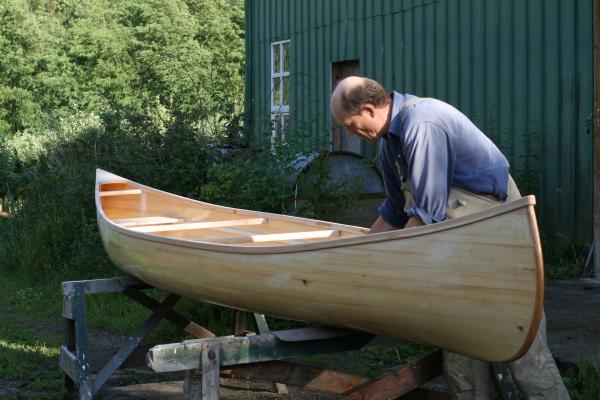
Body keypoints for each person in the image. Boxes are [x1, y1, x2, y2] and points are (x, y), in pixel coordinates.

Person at [330, 76, 569, 399]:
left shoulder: (421, 123)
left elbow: (426, 218)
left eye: (349, 124)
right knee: (459, 353)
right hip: (461, 251)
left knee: (523, 353)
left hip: (501, 244)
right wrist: (352, 255)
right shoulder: (391, 143)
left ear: (369, 109)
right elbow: (396, 213)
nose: (349, 133)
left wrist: (381, 270)